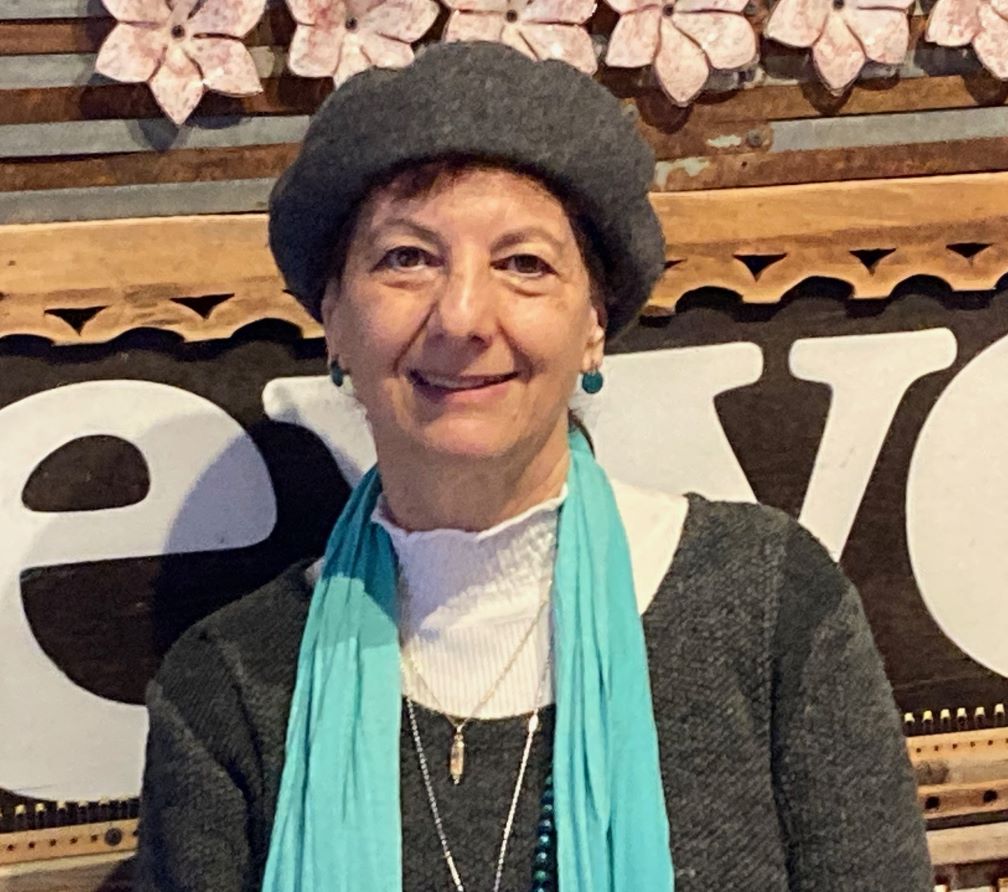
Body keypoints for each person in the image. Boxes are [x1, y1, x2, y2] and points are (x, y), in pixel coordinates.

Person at [134, 40, 933, 891]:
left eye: (524, 264)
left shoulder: (767, 602)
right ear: (332, 318)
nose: (464, 316)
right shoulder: (230, 688)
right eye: (407, 257)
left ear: (594, 321)